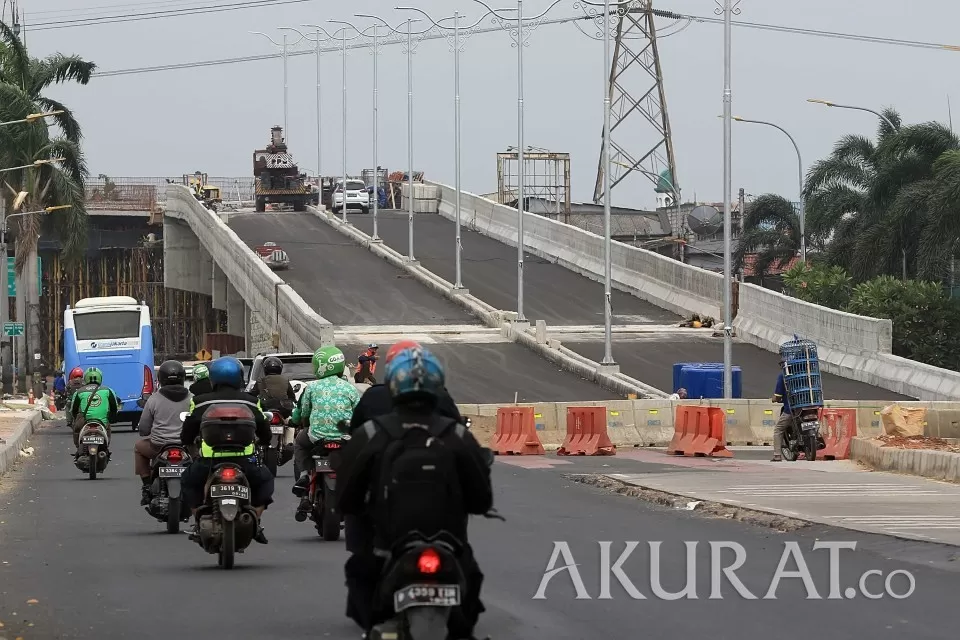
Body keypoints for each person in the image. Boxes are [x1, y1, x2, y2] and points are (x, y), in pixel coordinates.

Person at [336, 345, 493, 639]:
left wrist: (357, 508)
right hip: (448, 543)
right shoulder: (456, 434)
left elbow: (347, 496)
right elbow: (482, 499)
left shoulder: (372, 433)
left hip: (388, 543)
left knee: (361, 571)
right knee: (470, 582)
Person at [179, 356, 273, 544]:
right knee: (265, 482)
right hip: (245, 460)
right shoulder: (252, 401)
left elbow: (187, 432)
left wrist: (190, 445)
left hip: (209, 461)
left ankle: (198, 518)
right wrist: (263, 441)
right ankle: (256, 518)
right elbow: (264, 429)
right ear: (239, 378)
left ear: (213, 378)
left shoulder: (199, 401)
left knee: (188, 482)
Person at [291, 346, 361, 497]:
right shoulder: (350, 388)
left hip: (317, 437)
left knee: (299, 443)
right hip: (345, 438)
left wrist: (300, 422)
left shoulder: (311, 387)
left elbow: (303, 412)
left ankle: (304, 475)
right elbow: (359, 413)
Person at [135, 360, 192, 505]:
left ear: (160, 379)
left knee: (138, 447)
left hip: (158, 446)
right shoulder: (192, 398)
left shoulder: (154, 399)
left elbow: (143, 429)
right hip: (186, 446)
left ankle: (147, 485)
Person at [70, 367, 120, 452]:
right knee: (107, 430)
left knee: (77, 430)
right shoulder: (108, 390)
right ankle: (105, 449)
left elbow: (73, 410)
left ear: (85, 378)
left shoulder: (79, 392)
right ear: (100, 378)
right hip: (102, 422)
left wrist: (75, 419)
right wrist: (112, 418)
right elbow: (114, 407)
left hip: (84, 422)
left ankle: (78, 449)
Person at [771, 362, 792, 462]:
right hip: (809, 408)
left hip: (791, 409)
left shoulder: (783, 376)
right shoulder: (806, 376)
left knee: (778, 430)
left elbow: (778, 396)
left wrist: (774, 399)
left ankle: (777, 455)